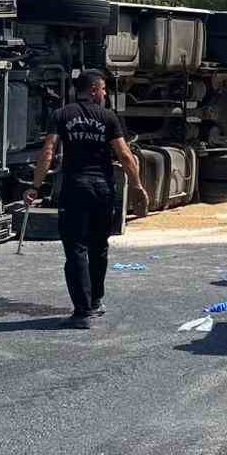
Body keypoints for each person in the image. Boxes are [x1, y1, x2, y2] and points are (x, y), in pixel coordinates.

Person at [27, 70, 150, 328]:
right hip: (102, 190)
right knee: (99, 246)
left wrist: (35, 187)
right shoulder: (108, 118)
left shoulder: (61, 115)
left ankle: (83, 312)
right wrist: (137, 186)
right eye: (103, 89)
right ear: (93, 90)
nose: (105, 94)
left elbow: (48, 151)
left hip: (74, 189)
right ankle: (95, 301)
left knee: (76, 250)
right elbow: (125, 155)